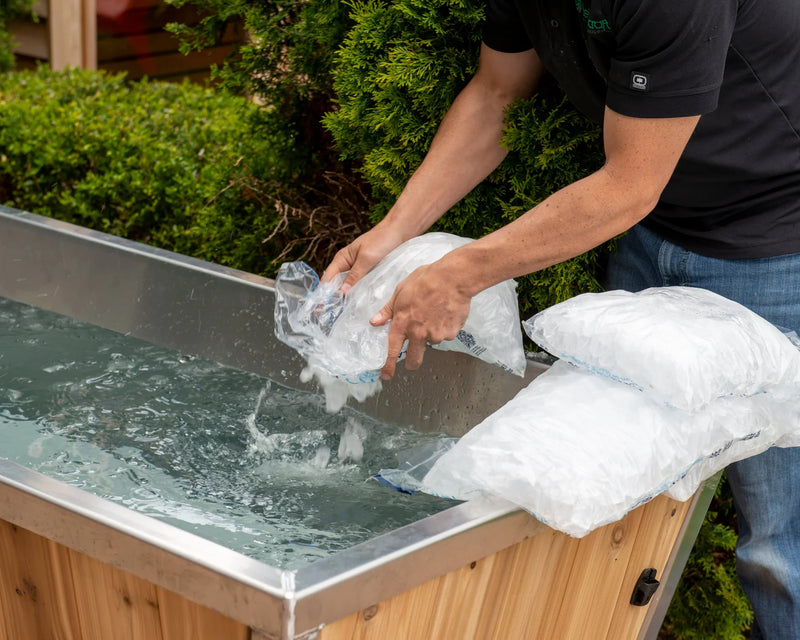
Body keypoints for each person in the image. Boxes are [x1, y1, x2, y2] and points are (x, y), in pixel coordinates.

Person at [322, 1, 800, 637]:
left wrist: (460, 274)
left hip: (777, 243)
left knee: (779, 542)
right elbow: (495, 95)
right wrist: (392, 234)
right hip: (652, 226)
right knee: (607, 489)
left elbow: (629, 185)